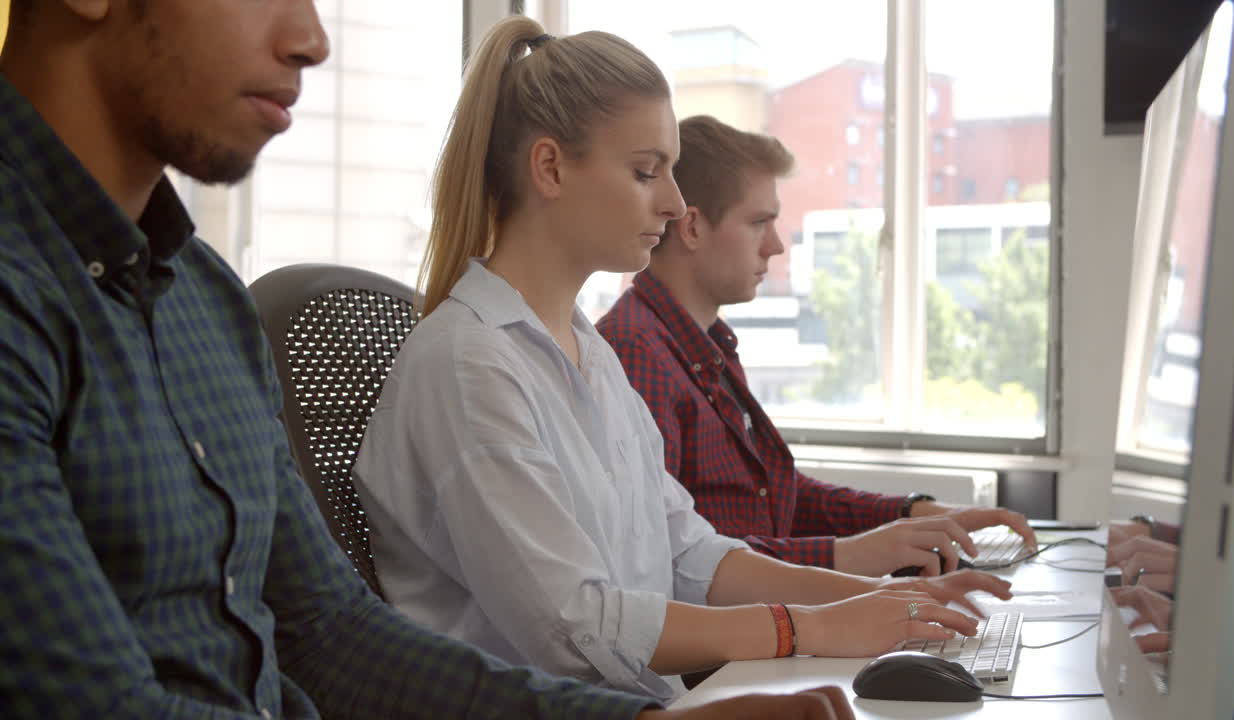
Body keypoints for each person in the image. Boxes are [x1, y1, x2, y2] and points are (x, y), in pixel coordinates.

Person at [0, 1, 858, 717]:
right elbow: (94, 702)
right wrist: (797, 627)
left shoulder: (205, 302)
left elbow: (327, 632)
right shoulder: (23, 294)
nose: (312, 39)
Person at [353, 14, 1013, 704]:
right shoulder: (468, 365)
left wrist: (877, 600)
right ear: (550, 168)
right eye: (646, 172)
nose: (673, 204)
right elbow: (575, 625)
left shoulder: (588, 354)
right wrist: (808, 627)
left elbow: (690, 553)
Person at [595, 114, 1037, 579]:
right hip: (737, 624)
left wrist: (912, 515)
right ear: (692, 228)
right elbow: (672, 560)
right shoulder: (636, 353)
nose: (776, 246)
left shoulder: (705, 344)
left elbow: (779, 498)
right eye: (759, 223)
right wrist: (851, 556)